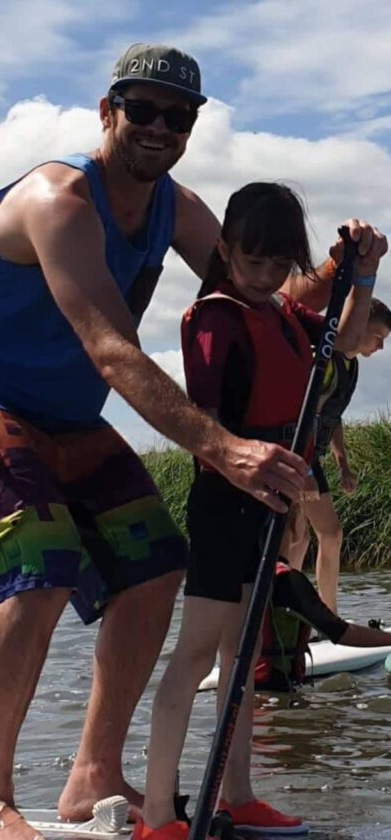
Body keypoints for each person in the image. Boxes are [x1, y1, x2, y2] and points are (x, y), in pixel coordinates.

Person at [0, 42, 384, 840]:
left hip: (67, 415)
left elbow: (259, 289)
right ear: (108, 112)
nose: (159, 127)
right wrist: (226, 449)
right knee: (40, 564)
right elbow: (111, 349)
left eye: (178, 116)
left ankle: (92, 775)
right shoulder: (60, 200)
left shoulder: (178, 207)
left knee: (157, 565)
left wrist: (344, 266)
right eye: (142, 109)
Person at [135, 182, 386, 840]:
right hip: (225, 505)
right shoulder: (214, 317)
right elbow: (207, 423)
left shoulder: (281, 312)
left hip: (268, 507)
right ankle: (158, 815)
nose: (266, 276)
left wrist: (363, 274)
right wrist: (246, 471)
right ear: (224, 250)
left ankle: (238, 796)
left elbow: (345, 339)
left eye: (280, 264)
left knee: (241, 658)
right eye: (253, 261)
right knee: (197, 655)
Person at [284, 297, 391, 613]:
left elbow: (333, 418)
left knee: (303, 538)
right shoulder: (324, 359)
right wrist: (303, 469)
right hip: (293, 454)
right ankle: (320, 617)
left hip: (308, 458)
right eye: (378, 336)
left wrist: (342, 463)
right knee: (322, 535)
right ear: (358, 324)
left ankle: (300, 615)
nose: (381, 347)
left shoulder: (350, 365)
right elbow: (301, 413)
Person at [255, 555, 391, 692]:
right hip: (271, 690)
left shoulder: (246, 576)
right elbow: (340, 632)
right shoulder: (288, 581)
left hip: (248, 687)